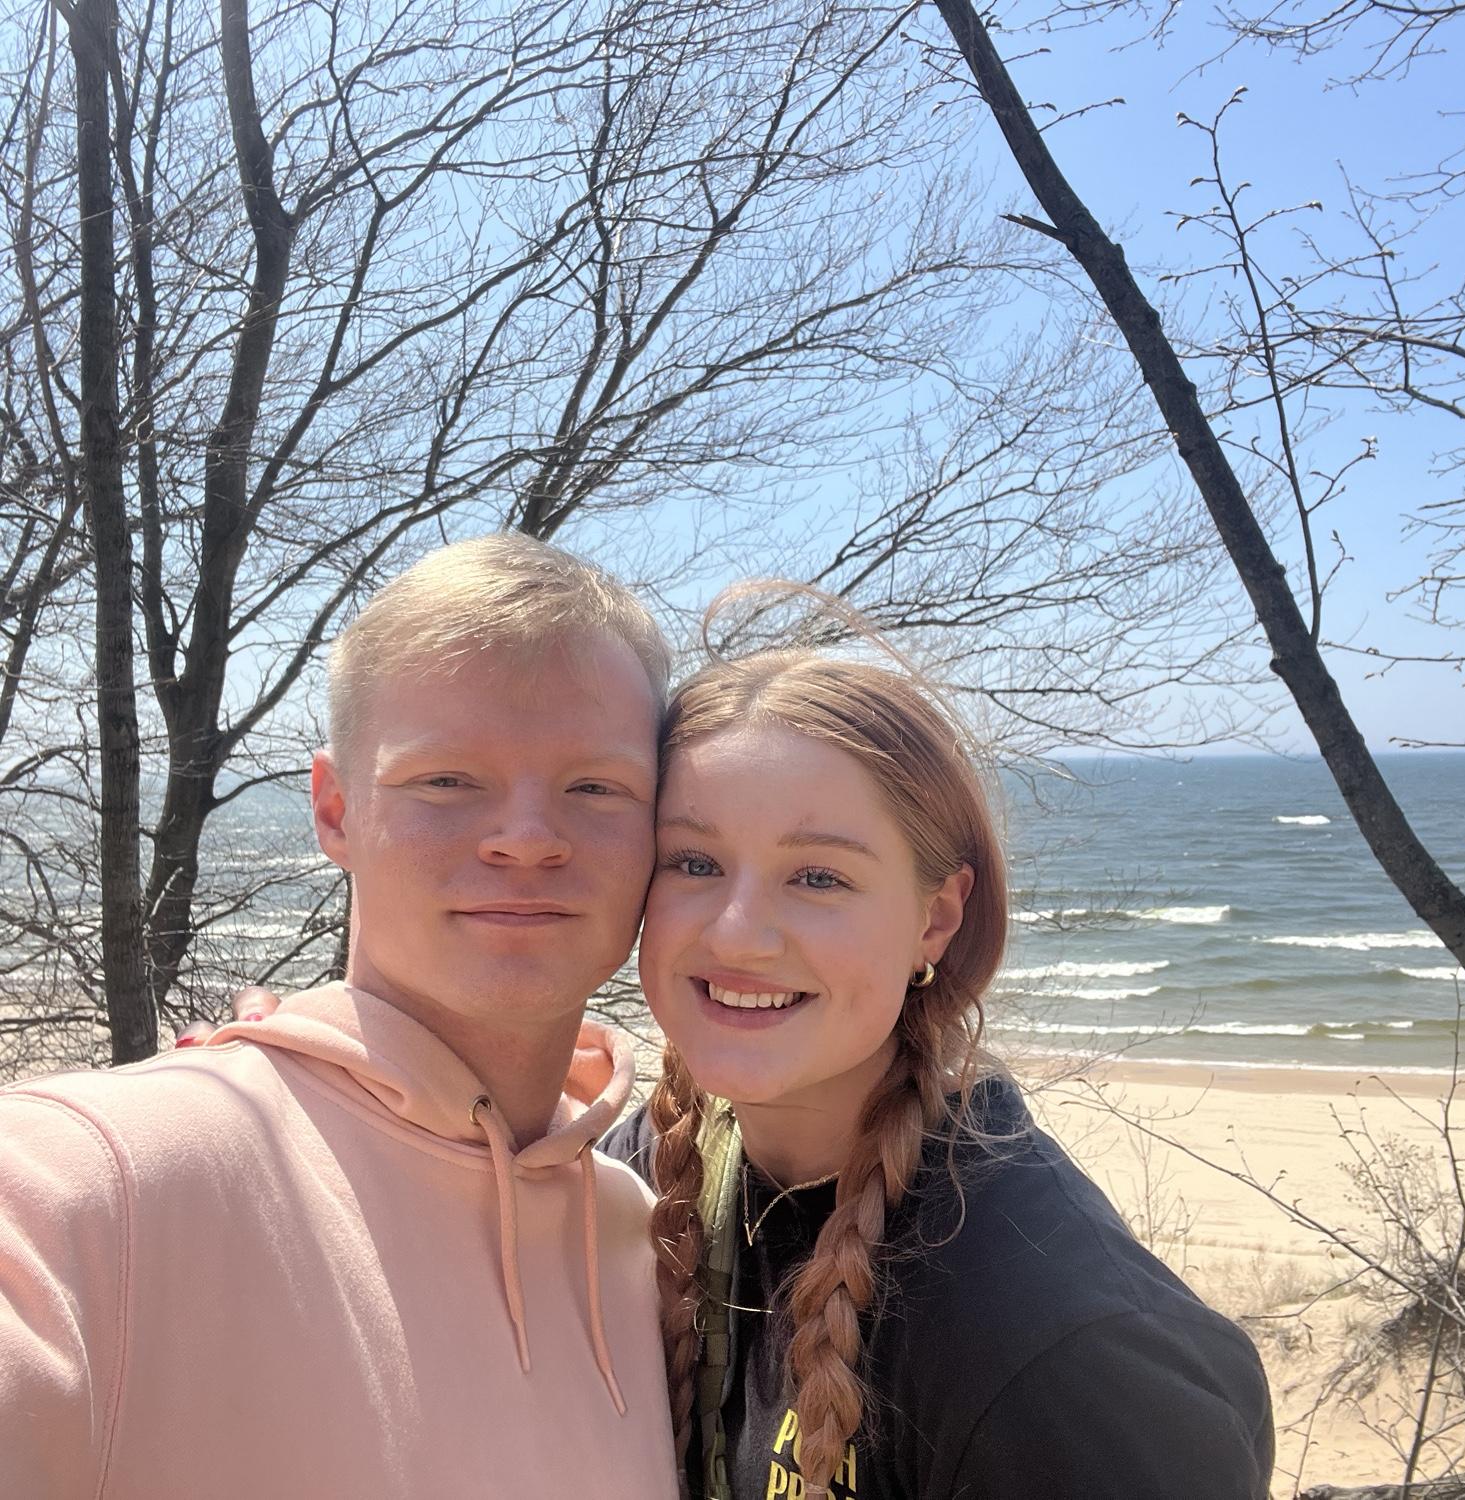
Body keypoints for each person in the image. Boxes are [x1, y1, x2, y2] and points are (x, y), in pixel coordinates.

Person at [0, 536, 679, 1497]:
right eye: (447, 780)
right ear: (334, 812)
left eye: (596, 788)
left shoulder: (643, 1240)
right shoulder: (96, 1185)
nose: (528, 839)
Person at [601, 643, 1275, 1499]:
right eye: (694, 863)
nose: (737, 933)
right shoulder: (635, 1176)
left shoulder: (1059, 1351)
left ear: (936, 919)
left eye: (818, 877)